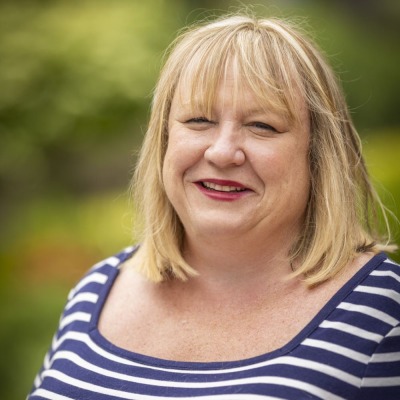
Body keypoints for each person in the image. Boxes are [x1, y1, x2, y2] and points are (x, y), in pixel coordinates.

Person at [28, 13, 400, 400]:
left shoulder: (381, 312)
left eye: (262, 126)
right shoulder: (96, 291)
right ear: (164, 141)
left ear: (318, 155)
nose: (222, 152)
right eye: (199, 120)